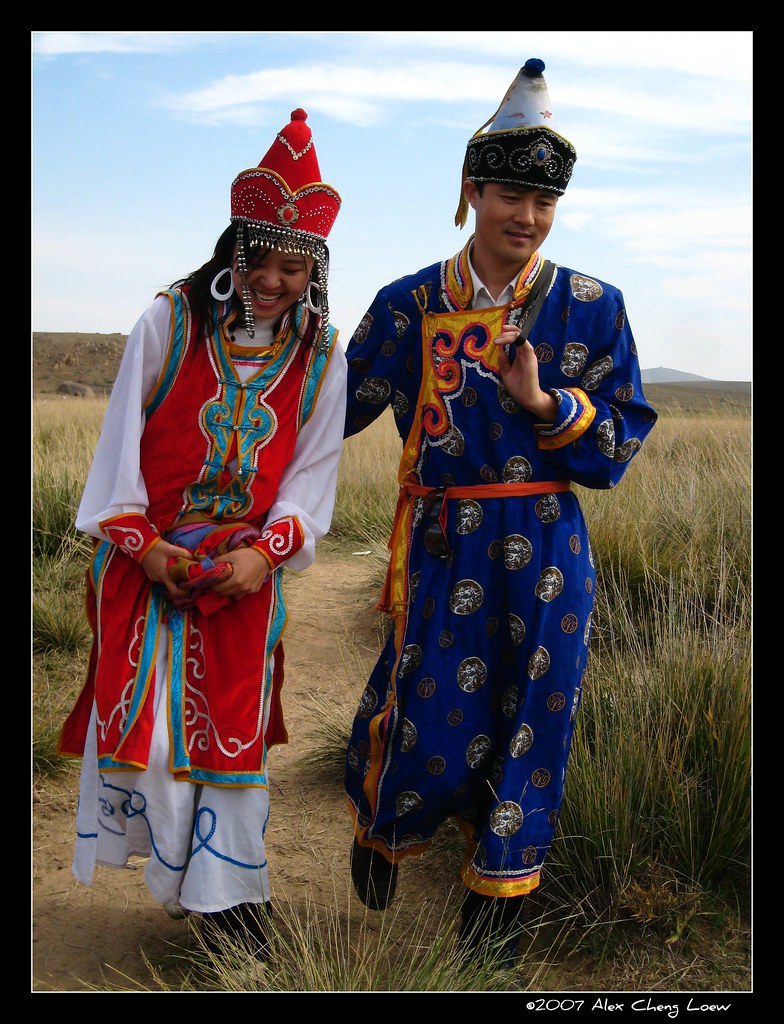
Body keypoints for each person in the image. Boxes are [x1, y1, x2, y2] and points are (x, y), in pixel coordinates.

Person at [342, 59, 658, 965]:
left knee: (537, 721)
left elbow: (618, 444)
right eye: (514, 193)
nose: (528, 216)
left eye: (546, 201)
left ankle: (495, 916)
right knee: (429, 721)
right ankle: (384, 825)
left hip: (549, 545)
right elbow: (332, 412)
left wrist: (543, 404)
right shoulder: (408, 303)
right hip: (445, 540)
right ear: (473, 190)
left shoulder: (595, 308)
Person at [57, 108, 346, 958]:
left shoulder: (324, 354)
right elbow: (116, 458)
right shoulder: (167, 322)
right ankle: (196, 890)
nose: (273, 281)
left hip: (244, 576)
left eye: (295, 268)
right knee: (150, 739)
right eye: (262, 260)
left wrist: (267, 555)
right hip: (147, 558)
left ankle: (231, 907)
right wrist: (144, 547)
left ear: (315, 269)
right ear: (234, 248)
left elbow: (310, 478)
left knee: (231, 736)